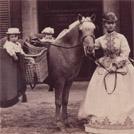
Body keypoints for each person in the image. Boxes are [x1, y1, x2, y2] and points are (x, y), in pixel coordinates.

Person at [78, 12, 134, 134]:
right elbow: (91, 48)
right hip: (105, 67)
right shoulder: (100, 39)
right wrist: (89, 47)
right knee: (99, 90)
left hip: (121, 67)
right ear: (104, 25)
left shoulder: (121, 38)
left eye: (112, 23)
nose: (110, 26)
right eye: (108, 23)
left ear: (115, 24)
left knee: (123, 92)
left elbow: (125, 53)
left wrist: (116, 65)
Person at [2, 28, 27, 102]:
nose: (14, 38)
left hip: (20, 61)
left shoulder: (18, 44)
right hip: (12, 61)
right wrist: (14, 56)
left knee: (21, 76)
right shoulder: (8, 44)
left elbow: (21, 51)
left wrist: (24, 56)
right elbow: (10, 50)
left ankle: (22, 93)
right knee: (13, 78)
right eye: (12, 37)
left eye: (15, 36)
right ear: (8, 37)